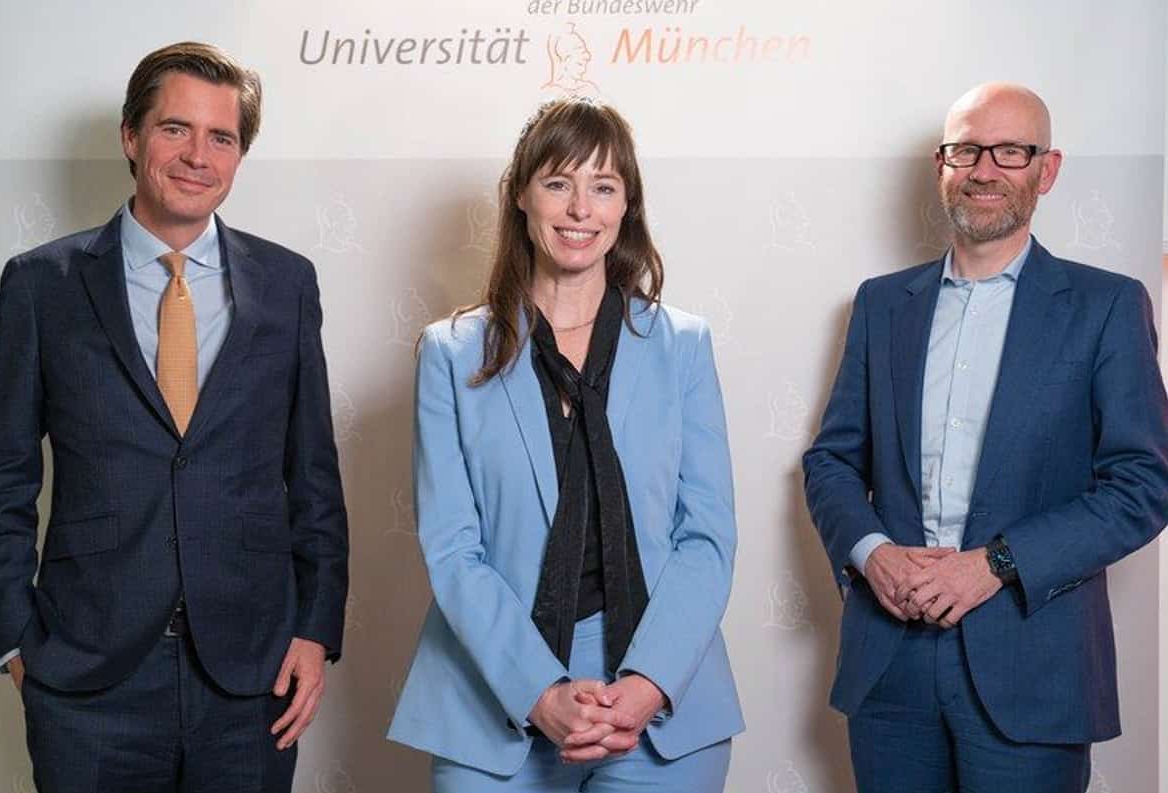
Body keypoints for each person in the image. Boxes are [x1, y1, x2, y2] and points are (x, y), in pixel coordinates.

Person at [0, 41, 349, 793]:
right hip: (87, 682)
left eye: (222, 137)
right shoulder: (40, 286)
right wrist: (15, 640)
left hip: (251, 680)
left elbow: (312, 475)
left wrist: (316, 629)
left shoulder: (287, 285)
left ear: (240, 154)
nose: (197, 156)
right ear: (131, 136)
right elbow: (0, 479)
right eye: (175, 129)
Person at [802, 82, 1168, 793]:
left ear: (1047, 169)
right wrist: (871, 554)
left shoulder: (1108, 305)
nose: (985, 168)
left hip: (1034, 665)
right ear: (943, 165)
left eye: (1010, 150)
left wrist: (995, 563)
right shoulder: (881, 304)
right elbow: (831, 461)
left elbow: (1143, 485)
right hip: (890, 666)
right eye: (966, 149)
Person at [388, 98, 743, 792]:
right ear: (521, 193)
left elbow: (707, 536)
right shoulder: (449, 353)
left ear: (626, 205)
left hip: (661, 689)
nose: (581, 208)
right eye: (558, 182)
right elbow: (454, 549)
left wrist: (647, 683)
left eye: (603, 187)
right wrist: (538, 691)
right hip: (495, 690)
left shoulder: (685, 345)